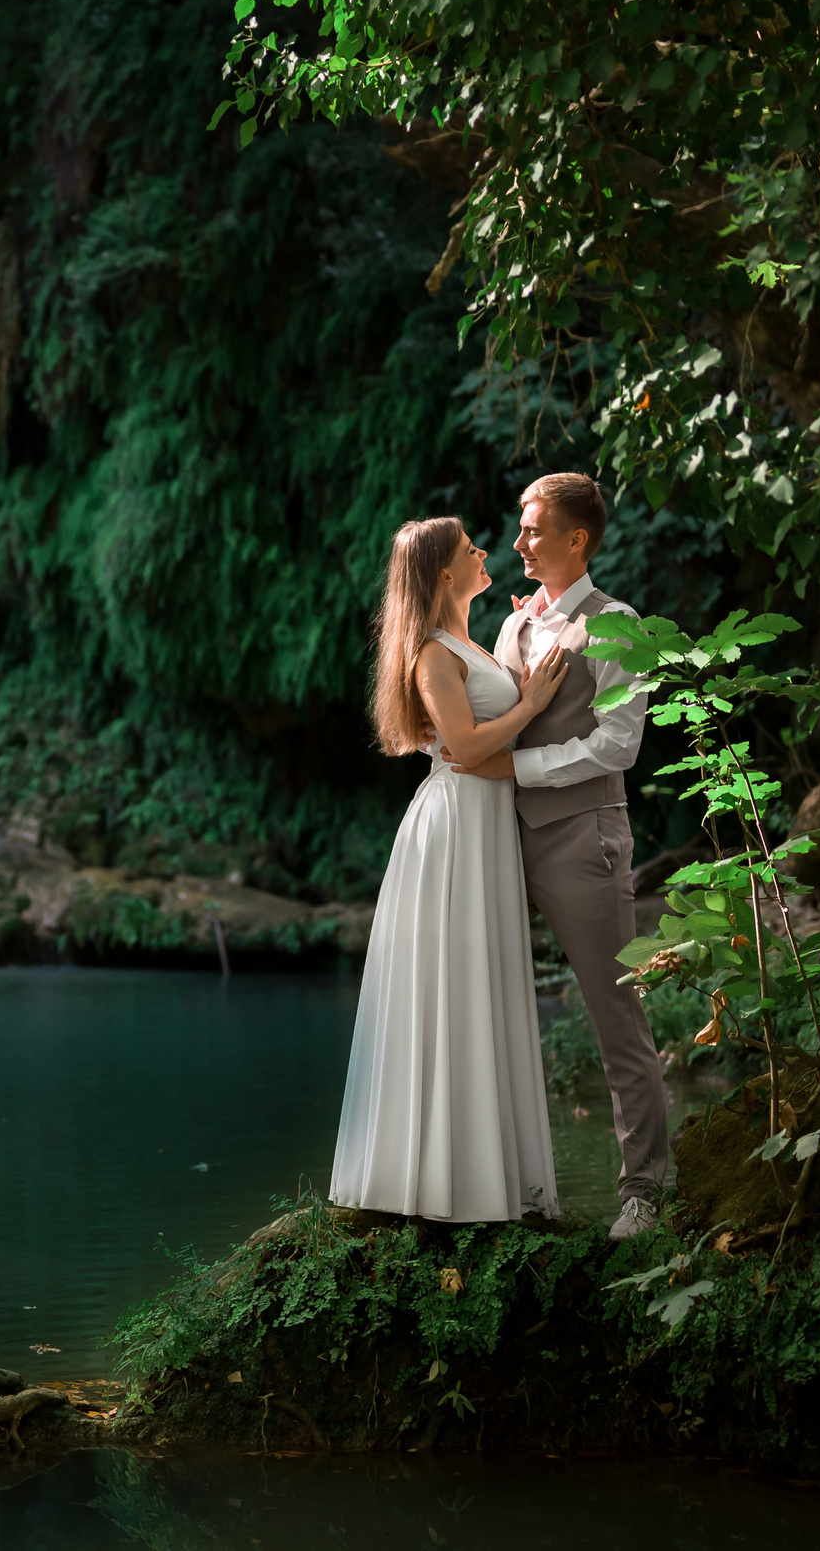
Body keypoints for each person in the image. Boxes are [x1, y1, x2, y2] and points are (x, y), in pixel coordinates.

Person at [330, 516, 568, 1223]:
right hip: (456, 828)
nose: (485, 553)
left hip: (483, 823)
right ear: (442, 573)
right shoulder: (433, 653)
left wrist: (532, 636)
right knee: (454, 991)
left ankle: (489, 1177)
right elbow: (463, 746)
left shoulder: (470, 641)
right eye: (470, 550)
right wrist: (530, 703)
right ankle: (436, 1183)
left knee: (484, 988)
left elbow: (498, 707)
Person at [453, 473, 672, 1241]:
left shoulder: (617, 624)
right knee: (484, 1008)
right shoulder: (514, 629)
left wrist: (522, 771)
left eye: (534, 529)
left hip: (585, 839)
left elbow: (621, 742)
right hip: (500, 838)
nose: (518, 542)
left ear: (577, 540)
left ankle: (644, 1192)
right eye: (518, 528)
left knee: (617, 1017)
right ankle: (490, 1182)